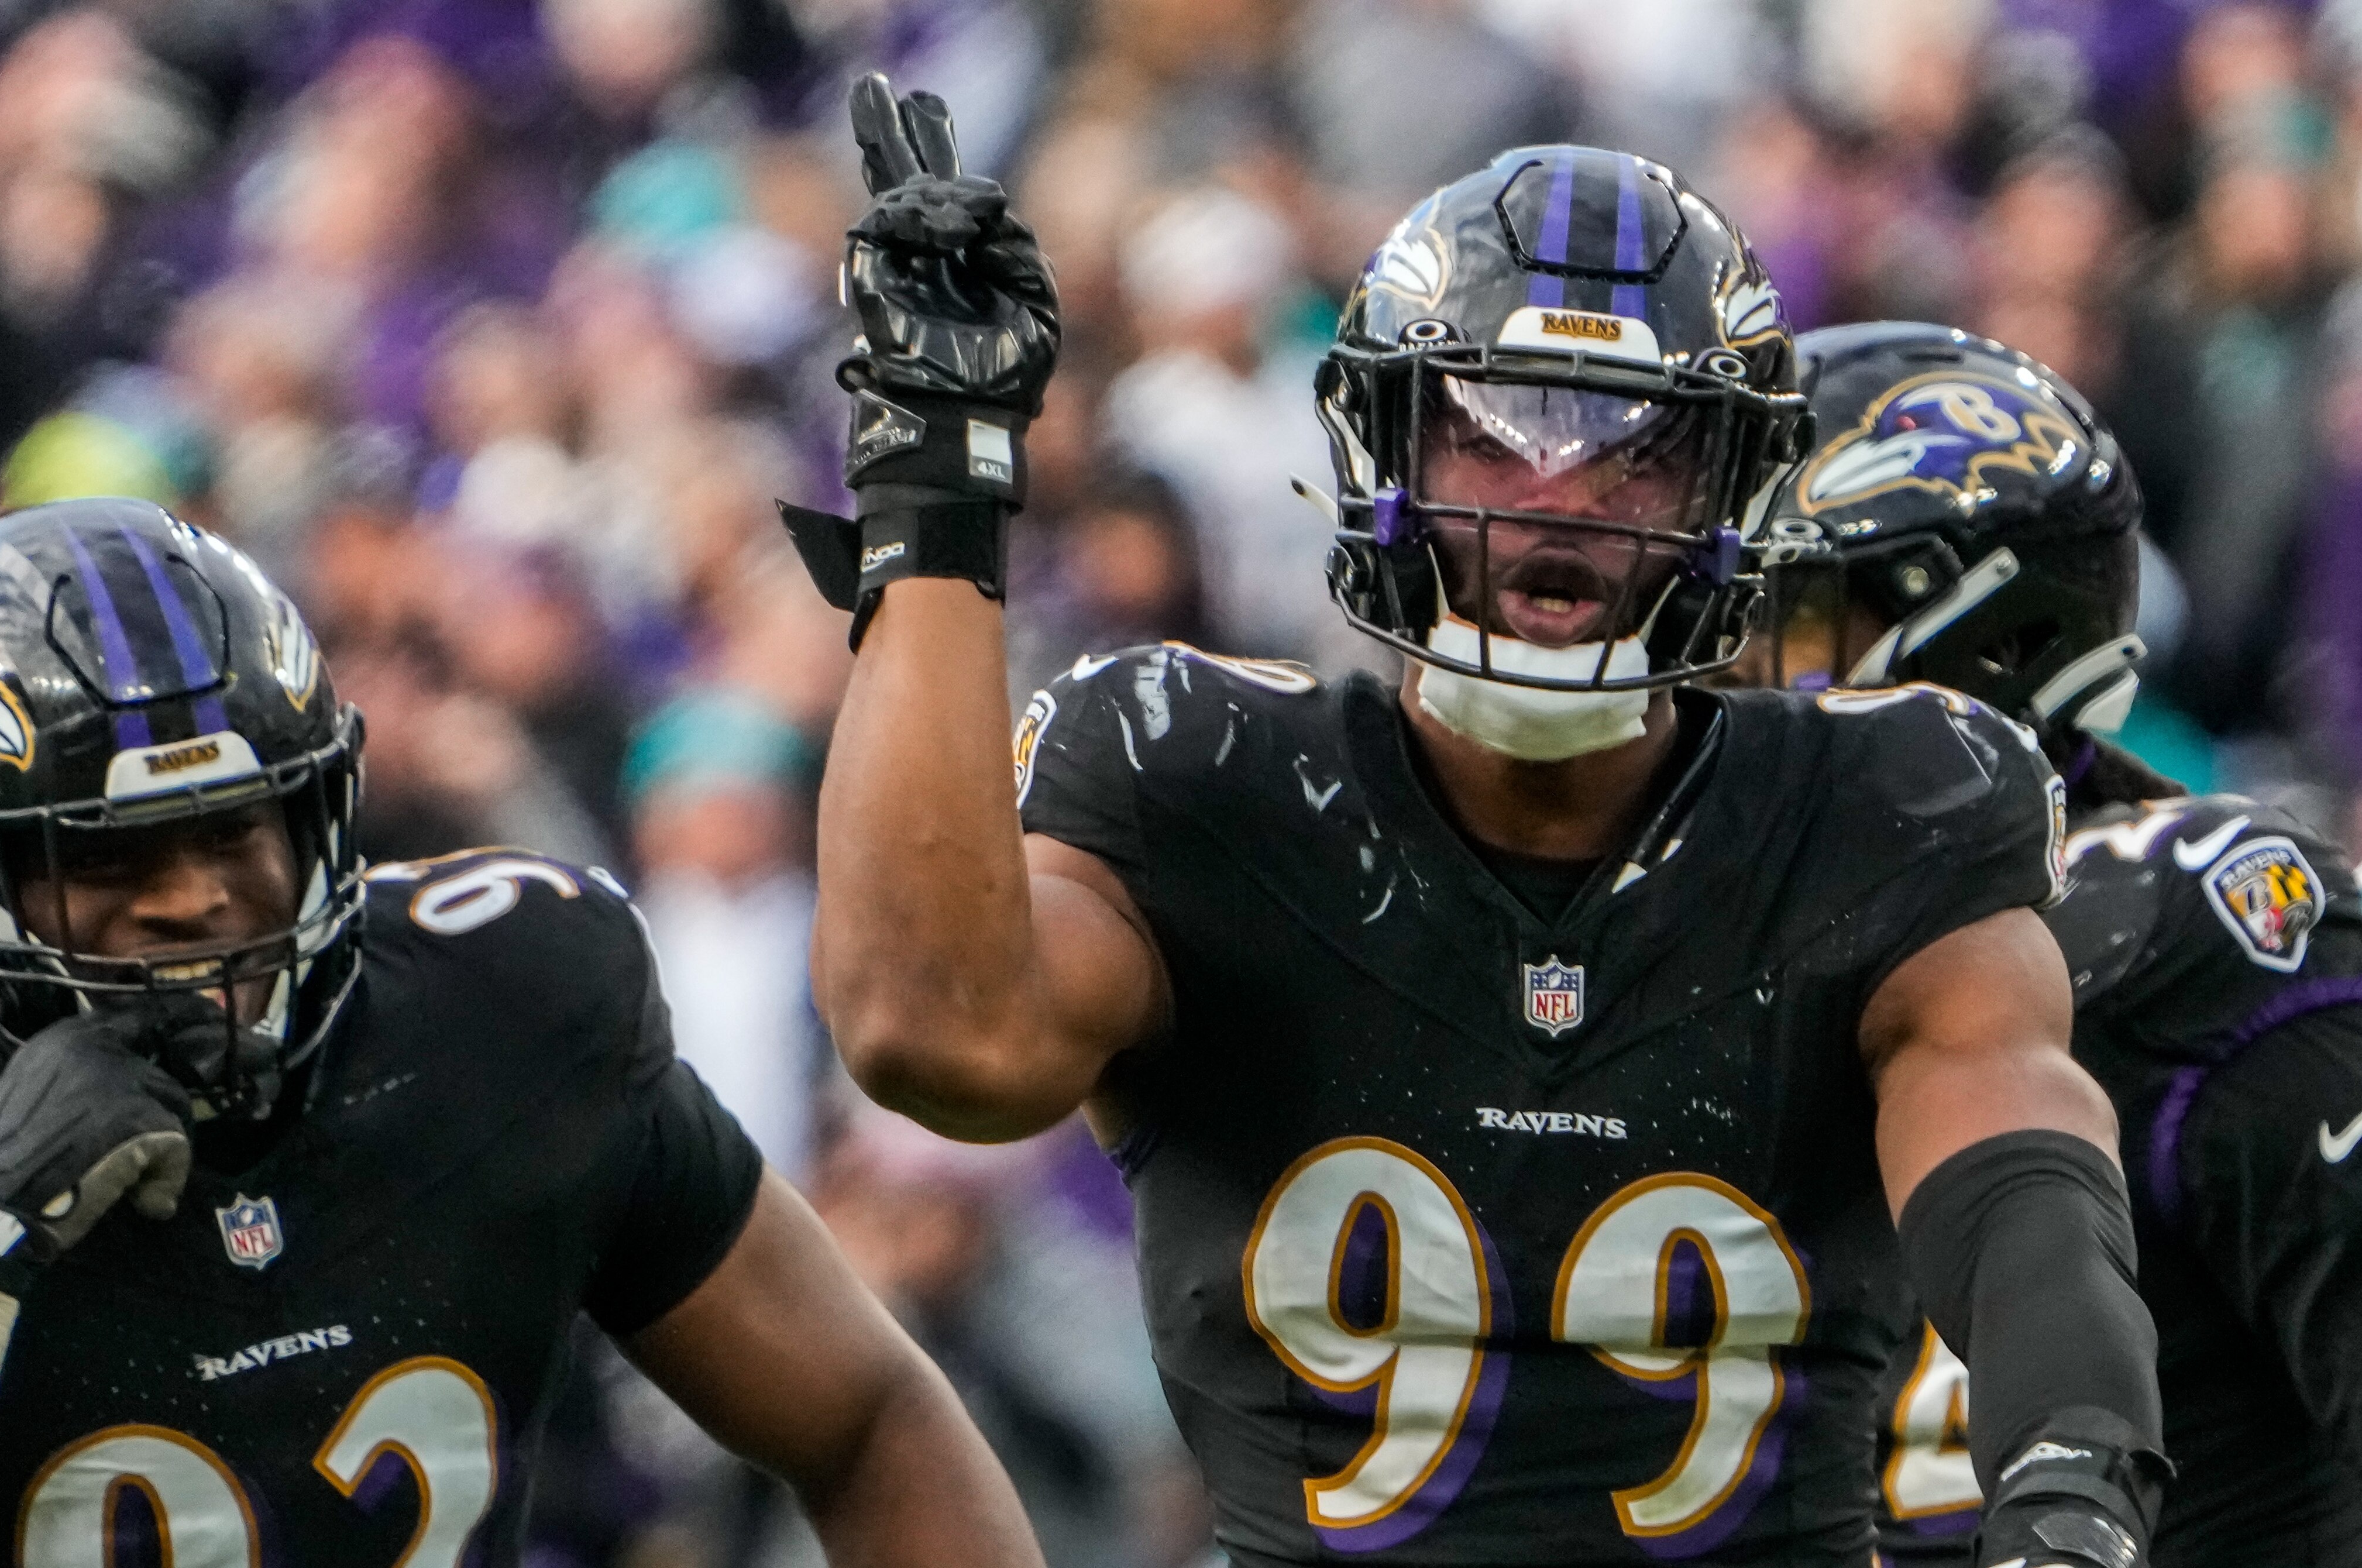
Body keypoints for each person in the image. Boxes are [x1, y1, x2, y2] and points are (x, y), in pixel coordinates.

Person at [786, 78, 2168, 1567]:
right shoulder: (1207, 778)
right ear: (1387, 445)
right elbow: (933, 1033)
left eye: (1636, 445)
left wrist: (2071, 1488)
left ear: (1735, 490)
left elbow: (2025, 1191)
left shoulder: (1875, 814)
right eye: (1494, 428)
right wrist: (936, 492)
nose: (1558, 495)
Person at [0, 497, 1043, 1568]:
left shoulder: (502, 1002)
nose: (194, 896)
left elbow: (867, 1414)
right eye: (110, 855)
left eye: (234, 829)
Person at [1736, 320, 2362, 1565]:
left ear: (1993, 643)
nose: (1726, 680)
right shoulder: (1714, 942)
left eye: (1781, 624)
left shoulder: (2206, 927)